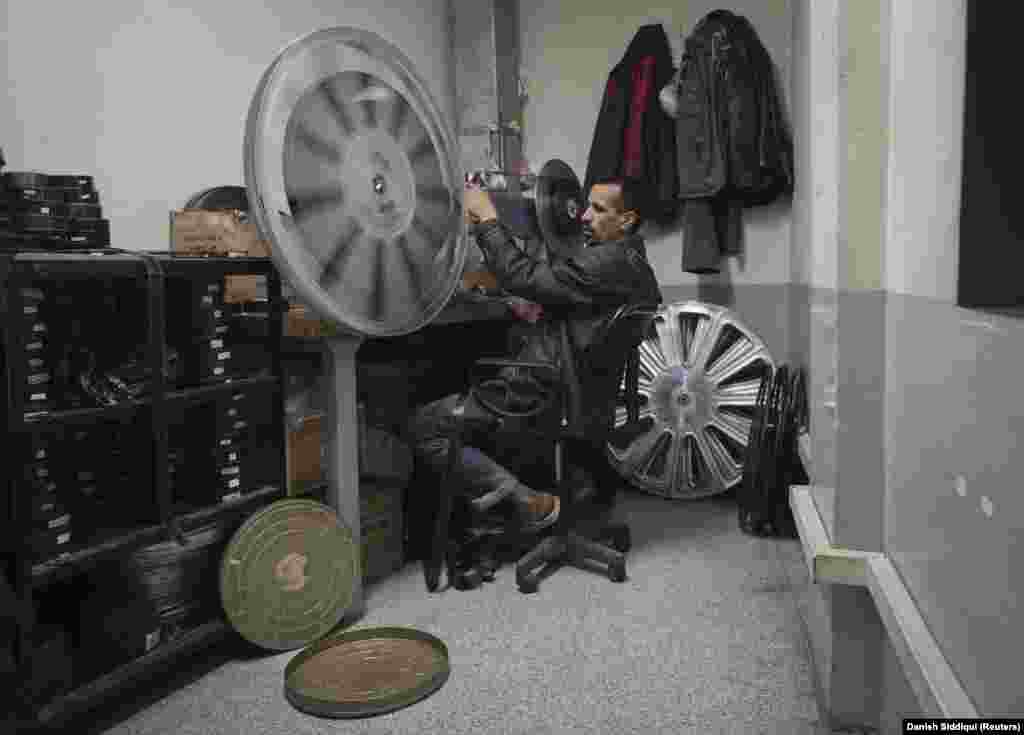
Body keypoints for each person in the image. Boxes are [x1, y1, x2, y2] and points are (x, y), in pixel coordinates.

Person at [406, 176, 663, 533]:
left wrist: (486, 216)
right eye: (587, 206)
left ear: (627, 220)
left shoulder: (606, 263)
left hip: (542, 394)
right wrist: (545, 310)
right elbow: (575, 305)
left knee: (424, 425)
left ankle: (528, 502)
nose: (585, 216)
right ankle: (504, 507)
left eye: (598, 209)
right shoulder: (637, 268)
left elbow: (521, 274)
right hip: (581, 399)